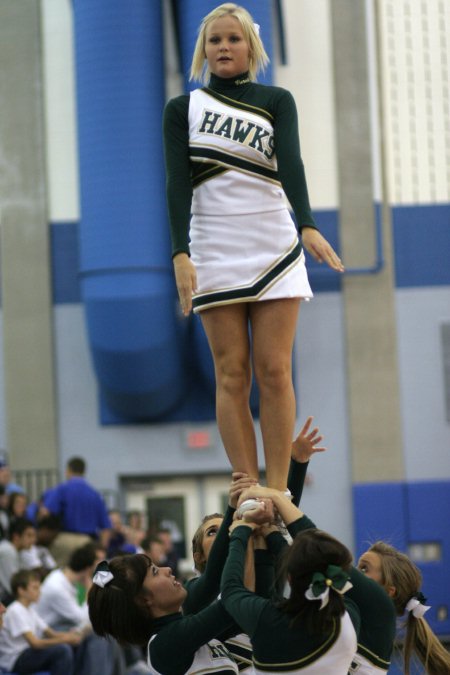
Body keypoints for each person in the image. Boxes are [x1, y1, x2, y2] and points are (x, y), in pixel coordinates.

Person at [163, 3, 344, 493]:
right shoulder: (183, 109)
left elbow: (292, 163)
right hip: (214, 245)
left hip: (271, 239)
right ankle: (246, 487)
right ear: (203, 49)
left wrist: (306, 224)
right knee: (232, 373)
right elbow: (177, 183)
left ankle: (280, 488)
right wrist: (180, 252)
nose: (223, 47)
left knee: (274, 368)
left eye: (233, 39)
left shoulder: (276, 99)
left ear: (251, 47)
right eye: (215, 40)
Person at [88, 555, 239, 675]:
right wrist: (241, 530)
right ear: (143, 600)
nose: (167, 569)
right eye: (154, 572)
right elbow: (233, 601)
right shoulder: (164, 645)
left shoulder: (190, 629)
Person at [356, 542, 450, 675]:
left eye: (364, 569)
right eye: (357, 566)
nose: (355, 573)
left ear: (388, 592)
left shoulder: (377, 627)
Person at [36, 542, 126, 675]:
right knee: (98, 633)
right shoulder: (57, 587)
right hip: (48, 631)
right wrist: (90, 591)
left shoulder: (67, 580)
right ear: (89, 569)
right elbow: (84, 618)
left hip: (65, 625)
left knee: (108, 630)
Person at [0, 569, 79, 675]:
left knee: (74, 644)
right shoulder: (15, 610)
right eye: (35, 588)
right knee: (62, 650)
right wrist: (64, 640)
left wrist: (72, 636)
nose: (39, 592)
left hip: (27, 654)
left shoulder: (30, 610)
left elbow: (51, 634)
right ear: (21, 590)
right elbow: (35, 643)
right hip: (15, 659)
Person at [43, 456, 111, 566]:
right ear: (84, 471)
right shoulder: (95, 495)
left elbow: (46, 512)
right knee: (91, 578)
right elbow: (106, 528)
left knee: (60, 575)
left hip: (64, 540)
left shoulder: (62, 489)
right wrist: (102, 549)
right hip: (88, 542)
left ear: (68, 470)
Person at [0, 518, 36, 605]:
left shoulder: (19, 552)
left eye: (34, 536)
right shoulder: (7, 550)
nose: (33, 540)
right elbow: (14, 587)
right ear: (16, 536)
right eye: (29, 535)